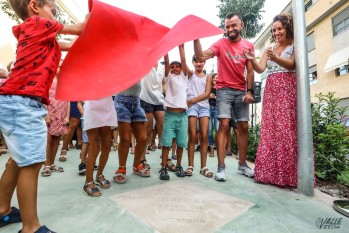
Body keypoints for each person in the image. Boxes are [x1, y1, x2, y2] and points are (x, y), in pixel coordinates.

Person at [0, 0, 86, 232]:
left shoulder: (40, 34)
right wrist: (94, 16)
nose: (55, 18)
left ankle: (2, 210)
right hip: (22, 101)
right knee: (31, 162)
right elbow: (79, 28)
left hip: (18, 101)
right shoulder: (37, 23)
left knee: (19, 159)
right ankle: (31, 228)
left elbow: (70, 43)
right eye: (54, 11)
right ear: (35, 6)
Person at [194, 12, 255, 182]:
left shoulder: (249, 45)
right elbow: (201, 56)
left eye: (233, 25)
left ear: (241, 26)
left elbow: (250, 71)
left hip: (241, 90)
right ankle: (221, 167)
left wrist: (250, 91)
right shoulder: (220, 44)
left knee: (243, 126)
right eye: (227, 26)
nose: (230, 29)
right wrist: (195, 37)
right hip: (223, 90)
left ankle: (242, 165)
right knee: (224, 125)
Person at [244, 13, 297, 187]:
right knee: (271, 129)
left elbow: (292, 65)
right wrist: (252, 59)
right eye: (274, 30)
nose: (276, 33)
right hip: (272, 91)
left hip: (287, 91)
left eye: (279, 29)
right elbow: (260, 69)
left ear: (287, 28)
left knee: (285, 131)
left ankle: (287, 176)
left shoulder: (295, 46)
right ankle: (269, 174)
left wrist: (276, 59)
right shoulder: (270, 49)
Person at [159, 44, 189, 180]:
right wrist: (167, 45)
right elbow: (166, 61)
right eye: (172, 67)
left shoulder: (184, 77)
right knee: (166, 143)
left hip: (183, 116)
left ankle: (178, 165)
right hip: (170, 115)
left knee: (181, 142)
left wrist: (180, 46)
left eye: (177, 66)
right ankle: (164, 167)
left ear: (181, 69)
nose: (175, 68)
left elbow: (184, 60)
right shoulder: (168, 78)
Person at [113, 82, 150, 184]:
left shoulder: (139, 66)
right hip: (121, 101)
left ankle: (136, 165)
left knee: (143, 138)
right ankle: (122, 168)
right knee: (125, 139)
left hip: (136, 102)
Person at [83, 96, 117, 197]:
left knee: (107, 146)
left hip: (107, 107)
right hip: (92, 106)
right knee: (94, 147)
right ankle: (88, 181)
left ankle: (99, 175)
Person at [185, 55, 213, 178]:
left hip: (204, 107)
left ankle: (203, 167)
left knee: (204, 135)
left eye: (201, 61)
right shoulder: (190, 75)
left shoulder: (208, 77)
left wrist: (192, 100)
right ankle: (190, 165)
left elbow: (207, 93)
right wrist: (181, 47)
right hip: (192, 108)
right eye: (196, 61)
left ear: (204, 62)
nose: (199, 64)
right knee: (192, 134)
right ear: (192, 63)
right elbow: (182, 61)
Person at [41, 61, 69, 177]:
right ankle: (46, 165)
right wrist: (45, 114)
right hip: (50, 112)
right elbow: (42, 98)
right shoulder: (47, 81)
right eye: (59, 66)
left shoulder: (64, 83)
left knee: (57, 139)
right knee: (49, 139)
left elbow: (67, 101)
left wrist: (67, 116)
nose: (61, 68)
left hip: (61, 113)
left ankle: (52, 163)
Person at [140, 63, 165, 166]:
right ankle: (142, 157)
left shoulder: (161, 66)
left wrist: (166, 93)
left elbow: (163, 82)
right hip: (146, 99)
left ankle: (165, 158)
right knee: (148, 128)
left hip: (159, 99)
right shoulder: (144, 62)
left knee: (162, 126)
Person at [208, 73, 219, 157]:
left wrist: (214, 97)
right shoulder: (208, 87)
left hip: (217, 108)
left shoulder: (220, 88)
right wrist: (208, 96)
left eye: (217, 78)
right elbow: (203, 95)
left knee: (217, 128)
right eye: (214, 78)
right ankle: (211, 147)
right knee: (209, 129)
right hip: (208, 108)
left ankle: (219, 147)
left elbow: (223, 98)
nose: (215, 79)